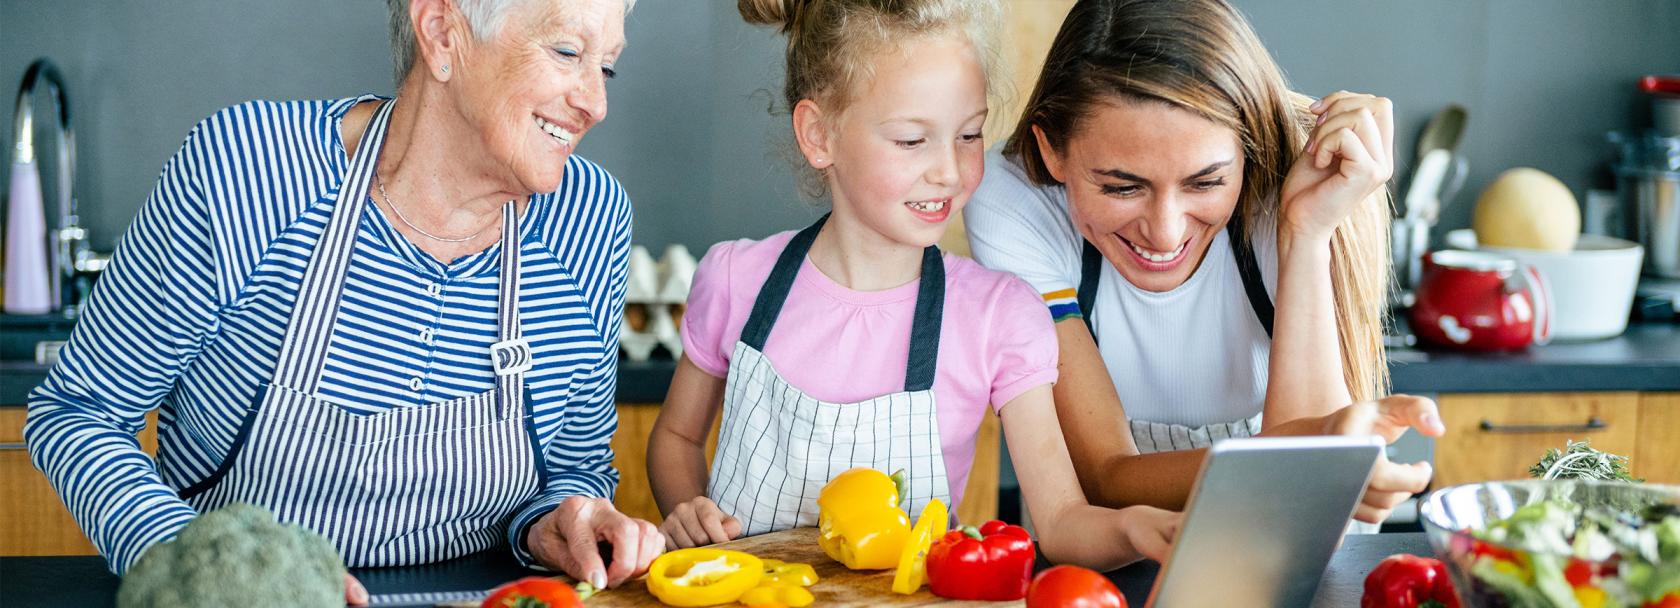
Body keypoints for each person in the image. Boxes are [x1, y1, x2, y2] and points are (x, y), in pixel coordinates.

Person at [23, 0, 662, 601]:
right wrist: (209, 572)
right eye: (566, 52)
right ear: (442, 32)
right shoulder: (250, 172)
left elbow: (573, 472)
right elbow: (78, 413)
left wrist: (561, 524)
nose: (596, 102)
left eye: (605, 65)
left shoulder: (590, 221)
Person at [645, 0, 1186, 570]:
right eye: (911, 140)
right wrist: (688, 510)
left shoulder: (997, 315)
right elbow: (676, 439)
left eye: (970, 135)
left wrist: (1134, 526)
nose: (949, 172)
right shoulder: (736, 279)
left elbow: (1059, 521)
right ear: (819, 134)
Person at [964, 0, 1439, 525]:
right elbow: (1104, 478)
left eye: (1206, 182)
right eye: (1122, 186)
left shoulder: (1298, 186)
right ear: (1052, 150)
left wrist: (1306, 232)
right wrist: (1306, 455)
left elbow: (1309, 507)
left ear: (1248, 150)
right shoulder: (1013, 198)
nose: (1165, 232)